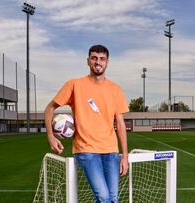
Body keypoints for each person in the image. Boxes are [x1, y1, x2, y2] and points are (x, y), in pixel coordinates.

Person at [44, 44, 129, 203]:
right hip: (86, 149)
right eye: (94, 58)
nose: (98, 62)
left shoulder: (116, 89)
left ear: (107, 62)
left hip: (110, 150)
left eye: (102, 59)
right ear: (88, 61)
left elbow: (120, 124)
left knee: (113, 199)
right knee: (104, 197)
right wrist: (50, 136)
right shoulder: (74, 84)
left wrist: (124, 156)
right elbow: (49, 109)